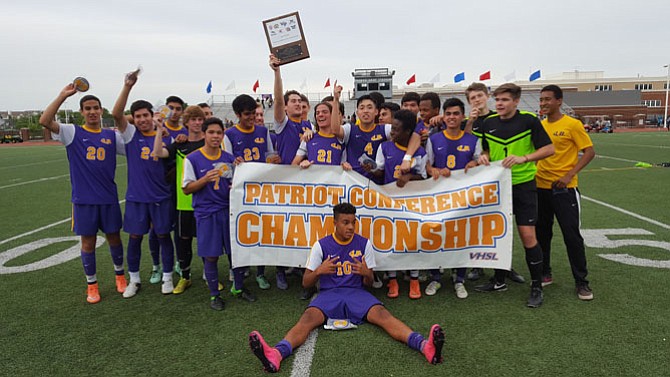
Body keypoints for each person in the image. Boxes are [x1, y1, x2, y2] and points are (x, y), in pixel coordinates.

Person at [248, 203, 445, 373]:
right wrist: (319, 271)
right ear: (335, 223)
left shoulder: (364, 244)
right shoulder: (321, 245)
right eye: (346, 222)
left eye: (353, 222)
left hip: (357, 294)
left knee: (384, 316)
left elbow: (370, 284)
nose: (351, 227)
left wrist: (366, 273)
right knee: (307, 320)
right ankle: (276, 354)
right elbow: (306, 283)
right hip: (329, 294)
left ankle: (425, 346)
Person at [39, 84, 126, 304]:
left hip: (108, 198)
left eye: (95, 108)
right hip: (84, 200)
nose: (92, 111)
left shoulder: (111, 136)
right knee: (87, 243)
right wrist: (62, 95)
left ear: (101, 110)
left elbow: (132, 149)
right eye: (87, 108)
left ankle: (120, 276)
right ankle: (92, 285)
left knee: (114, 238)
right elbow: (45, 121)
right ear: (81, 112)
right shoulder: (72, 132)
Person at [474, 83, 555, 308]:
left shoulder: (529, 120)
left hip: (523, 185)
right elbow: (486, 149)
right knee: (499, 233)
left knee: (528, 236)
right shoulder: (488, 123)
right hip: (498, 186)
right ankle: (499, 280)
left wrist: (525, 158)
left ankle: (536, 286)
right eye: (497, 100)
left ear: (516, 101)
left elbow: (549, 149)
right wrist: (484, 156)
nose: (499, 104)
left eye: (505, 100)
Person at [111, 71, 175, 297]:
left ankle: (167, 277)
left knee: (163, 236)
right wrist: (127, 86)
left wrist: (160, 129)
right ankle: (134, 279)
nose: (141, 120)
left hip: (160, 197)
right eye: (137, 116)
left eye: (145, 115)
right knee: (135, 238)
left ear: (152, 115)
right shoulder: (130, 136)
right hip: (137, 198)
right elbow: (116, 113)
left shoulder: (166, 136)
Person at [462, 82, 525, 284]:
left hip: (501, 178)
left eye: (480, 96)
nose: (477, 100)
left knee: (503, 222)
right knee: (479, 223)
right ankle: (478, 264)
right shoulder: (467, 121)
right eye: (472, 98)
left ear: (487, 96)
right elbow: (465, 143)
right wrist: (470, 122)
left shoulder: (499, 117)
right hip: (476, 180)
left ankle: (505, 265)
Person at [536, 85, 595, 300]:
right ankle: (545, 273)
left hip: (564, 190)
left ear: (559, 101)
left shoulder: (572, 124)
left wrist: (570, 175)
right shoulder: (540, 126)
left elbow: (589, 152)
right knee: (542, 234)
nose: (543, 103)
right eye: (541, 100)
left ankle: (582, 282)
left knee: (572, 237)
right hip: (540, 188)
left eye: (547, 99)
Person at [364, 109, 427, 299]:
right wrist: (372, 169)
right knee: (391, 241)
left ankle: (414, 279)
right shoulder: (384, 147)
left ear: (408, 132)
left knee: (411, 240)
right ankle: (392, 279)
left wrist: (409, 177)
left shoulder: (420, 151)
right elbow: (381, 172)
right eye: (392, 129)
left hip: (412, 204)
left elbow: (423, 177)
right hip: (389, 203)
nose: (392, 133)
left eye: (397, 130)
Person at [224, 94, 281, 294]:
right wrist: (234, 165)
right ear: (238, 114)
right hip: (240, 192)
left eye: (253, 113)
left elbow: (270, 156)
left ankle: (260, 272)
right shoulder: (229, 134)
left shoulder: (263, 131)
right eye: (247, 114)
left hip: (261, 191)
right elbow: (226, 163)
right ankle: (238, 268)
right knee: (241, 230)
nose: (251, 118)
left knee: (262, 231)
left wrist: (274, 161)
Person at [424, 98, 480, 299]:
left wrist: (475, 165)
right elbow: (427, 166)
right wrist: (435, 170)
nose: (452, 117)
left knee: (461, 237)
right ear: (443, 116)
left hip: (463, 198)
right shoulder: (434, 139)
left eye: (456, 113)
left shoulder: (472, 140)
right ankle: (435, 278)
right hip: (439, 198)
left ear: (462, 116)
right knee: (437, 235)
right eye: (448, 114)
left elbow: (479, 163)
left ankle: (459, 279)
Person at [153, 105, 213, 294]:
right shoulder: (180, 144)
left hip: (206, 202)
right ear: (186, 122)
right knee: (183, 240)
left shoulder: (210, 144)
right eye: (193, 119)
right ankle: (185, 277)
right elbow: (158, 153)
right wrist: (158, 129)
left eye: (200, 119)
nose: (197, 123)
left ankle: (208, 274)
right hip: (184, 202)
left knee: (206, 240)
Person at [182, 117, 240, 310]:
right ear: (204, 134)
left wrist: (240, 171)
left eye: (219, 133)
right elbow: (187, 189)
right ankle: (215, 294)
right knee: (211, 256)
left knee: (235, 254)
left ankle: (238, 288)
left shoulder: (228, 158)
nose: (215, 136)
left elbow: (236, 183)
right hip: (207, 213)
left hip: (228, 211)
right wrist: (205, 179)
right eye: (212, 132)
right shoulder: (192, 159)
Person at [270, 53, 314, 290]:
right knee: (282, 228)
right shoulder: (282, 123)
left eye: (300, 101)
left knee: (301, 226)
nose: (297, 104)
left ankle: (298, 266)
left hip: (306, 185)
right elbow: (277, 100)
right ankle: (280, 271)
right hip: (285, 183)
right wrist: (277, 71)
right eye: (293, 101)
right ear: (286, 107)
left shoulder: (309, 126)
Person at [292, 101, 344, 169]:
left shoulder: (342, 139)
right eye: (317, 113)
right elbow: (294, 165)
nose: (320, 115)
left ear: (333, 115)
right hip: (313, 179)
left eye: (325, 112)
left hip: (333, 179)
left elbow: (345, 165)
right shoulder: (309, 138)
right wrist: (302, 165)